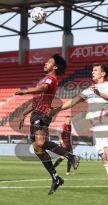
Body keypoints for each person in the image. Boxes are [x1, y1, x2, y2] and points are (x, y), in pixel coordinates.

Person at [52, 63, 108, 205]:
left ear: (103, 73)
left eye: (96, 70)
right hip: (96, 129)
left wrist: (99, 94)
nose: (93, 72)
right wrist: (56, 109)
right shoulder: (88, 90)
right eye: (92, 70)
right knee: (105, 160)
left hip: (106, 124)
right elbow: (73, 101)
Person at [15, 54, 79, 195]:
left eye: (49, 62)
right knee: (37, 149)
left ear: (54, 67)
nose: (45, 63)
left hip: (43, 114)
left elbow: (43, 88)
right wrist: (24, 113)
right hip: (35, 115)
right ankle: (55, 178)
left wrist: (25, 91)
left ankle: (71, 156)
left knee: (41, 142)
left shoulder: (51, 78)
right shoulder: (44, 79)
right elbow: (35, 101)